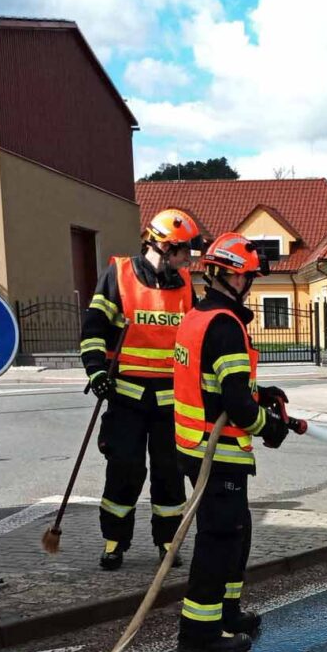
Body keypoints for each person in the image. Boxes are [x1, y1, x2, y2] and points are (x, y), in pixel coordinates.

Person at [172, 232, 293, 652]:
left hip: (198, 446)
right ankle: (199, 636)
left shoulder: (198, 316)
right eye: (247, 278)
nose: (251, 285)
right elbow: (237, 407)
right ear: (226, 276)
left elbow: (220, 387)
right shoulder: (225, 325)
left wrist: (261, 394)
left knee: (237, 531)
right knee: (219, 538)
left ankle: (227, 613)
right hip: (216, 452)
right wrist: (269, 426)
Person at [80, 208, 203, 570]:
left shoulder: (184, 287)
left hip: (170, 401)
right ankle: (114, 542)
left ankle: (168, 542)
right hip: (126, 398)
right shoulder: (118, 275)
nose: (187, 260)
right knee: (125, 470)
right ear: (163, 246)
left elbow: (194, 339)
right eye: (183, 251)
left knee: (169, 475)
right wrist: (95, 371)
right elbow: (93, 329)